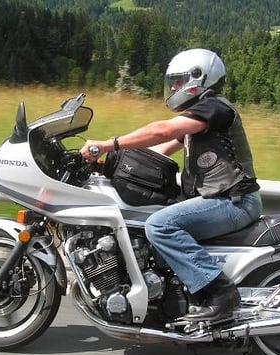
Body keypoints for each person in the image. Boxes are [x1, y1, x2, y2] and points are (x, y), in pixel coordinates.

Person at [80, 48, 262, 321]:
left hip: (234, 201)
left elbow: (162, 131)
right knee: (147, 219)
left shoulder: (215, 108)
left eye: (178, 81)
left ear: (198, 78)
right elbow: (156, 153)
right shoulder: (198, 121)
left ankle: (221, 293)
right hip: (220, 199)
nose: (174, 87)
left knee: (160, 225)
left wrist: (107, 144)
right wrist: (106, 166)